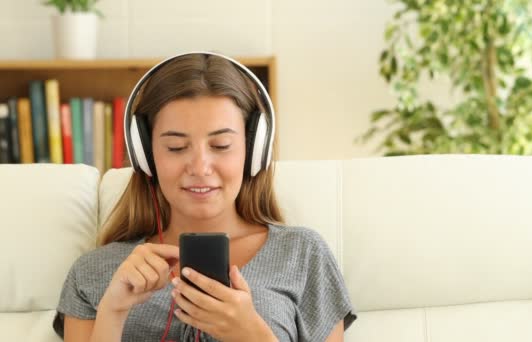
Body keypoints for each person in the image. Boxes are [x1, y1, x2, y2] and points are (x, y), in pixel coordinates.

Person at [52, 51, 357, 342]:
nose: (199, 168)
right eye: (175, 147)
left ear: (254, 151)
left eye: (221, 145)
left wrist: (252, 334)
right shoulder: (93, 272)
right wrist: (113, 311)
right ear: (145, 155)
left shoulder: (302, 254)